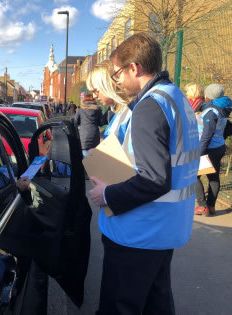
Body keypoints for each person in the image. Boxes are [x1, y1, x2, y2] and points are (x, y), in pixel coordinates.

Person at [88, 33, 199, 314]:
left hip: (138, 233)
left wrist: (107, 194)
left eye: (117, 74)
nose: (117, 82)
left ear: (134, 69)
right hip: (165, 229)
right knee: (156, 305)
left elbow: (153, 179)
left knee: (120, 307)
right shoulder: (176, 98)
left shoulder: (149, 107)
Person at [195, 84, 232, 216]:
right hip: (218, 147)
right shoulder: (223, 108)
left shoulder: (211, 111)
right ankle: (211, 207)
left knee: (193, 176)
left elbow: (207, 135)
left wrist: (199, 153)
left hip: (208, 149)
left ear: (208, 95)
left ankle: (202, 206)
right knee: (213, 178)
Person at [86, 60, 130, 144]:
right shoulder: (119, 111)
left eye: (96, 90)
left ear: (107, 85)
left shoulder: (130, 112)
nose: (94, 96)